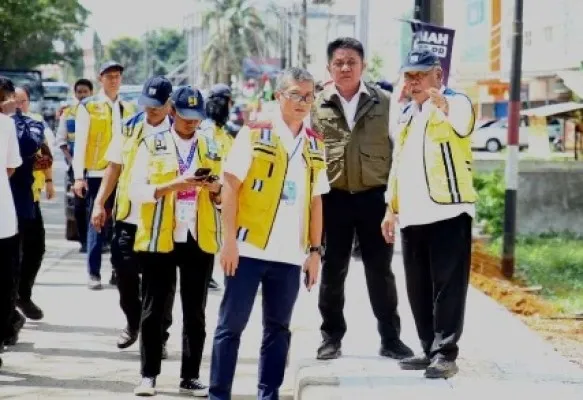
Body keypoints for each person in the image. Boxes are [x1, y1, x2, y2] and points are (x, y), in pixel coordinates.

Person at [209, 67, 329, 400]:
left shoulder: (315, 143)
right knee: (230, 327)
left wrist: (315, 252)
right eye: (295, 94)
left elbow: (316, 200)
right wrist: (229, 241)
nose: (303, 101)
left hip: (289, 254)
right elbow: (230, 186)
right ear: (279, 96)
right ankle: (218, 395)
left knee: (278, 330)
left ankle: (269, 394)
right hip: (247, 249)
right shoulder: (254, 133)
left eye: (308, 95)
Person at [310, 37, 412, 360]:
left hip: (374, 200)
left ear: (363, 66)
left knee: (380, 270)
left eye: (351, 62)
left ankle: (391, 338)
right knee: (333, 270)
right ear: (329, 68)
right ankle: (331, 337)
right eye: (338, 63)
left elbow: (400, 154)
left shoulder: (385, 103)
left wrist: (394, 205)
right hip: (333, 199)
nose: (345, 68)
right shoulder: (316, 107)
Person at [381, 50, 476, 379]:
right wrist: (390, 208)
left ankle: (446, 353)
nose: (414, 82)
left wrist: (444, 106)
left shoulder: (456, 101)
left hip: (448, 210)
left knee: (447, 288)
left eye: (420, 75)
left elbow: (462, 124)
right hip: (412, 215)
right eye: (409, 76)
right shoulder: (408, 114)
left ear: (438, 74)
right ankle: (428, 348)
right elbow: (398, 164)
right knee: (418, 288)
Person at [130, 86, 222, 397]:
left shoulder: (211, 145)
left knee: (195, 311)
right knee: (154, 309)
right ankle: (148, 375)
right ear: (173, 113)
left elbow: (224, 198)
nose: (191, 125)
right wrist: (174, 184)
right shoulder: (151, 144)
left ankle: (191, 375)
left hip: (197, 236)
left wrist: (216, 190)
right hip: (160, 236)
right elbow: (137, 192)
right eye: (185, 118)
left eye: (197, 119)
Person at [90, 76, 174, 354]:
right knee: (123, 273)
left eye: (157, 107)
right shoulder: (130, 128)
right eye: (147, 105)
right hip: (128, 217)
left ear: (169, 104)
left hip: (163, 222)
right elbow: (113, 168)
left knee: (159, 285)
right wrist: (100, 203)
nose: (150, 111)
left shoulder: (179, 132)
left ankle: (158, 335)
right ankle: (135, 321)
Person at [72, 61, 136, 289]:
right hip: (97, 172)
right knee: (97, 223)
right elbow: (79, 144)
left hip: (123, 173)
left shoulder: (128, 107)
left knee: (121, 224)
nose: (114, 80)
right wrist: (78, 176)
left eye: (117, 76)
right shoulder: (88, 106)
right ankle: (94, 272)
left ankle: (118, 271)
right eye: (109, 76)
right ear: (101, 78)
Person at [12, 86, 55, 321]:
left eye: (23, 101)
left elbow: (46, 156)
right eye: (15, 101)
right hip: (10, 200)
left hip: (32, 195)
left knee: (35, 248)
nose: (19, 105)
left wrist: (49, 181)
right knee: (13, 252)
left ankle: (23, 294)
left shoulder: (34, 124)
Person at [202, 83, 236, 290]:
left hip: (221, 193)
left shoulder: (224, 134)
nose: (229, 106)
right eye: (227, 102)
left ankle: (208, 274)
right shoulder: (205, 130)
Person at [0, 77, 24, 369]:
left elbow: (10, 165)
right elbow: (9, 167)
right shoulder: (6, 123)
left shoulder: (6, 125)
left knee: (5, 283)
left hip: (3, 220)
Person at [56, 78, 94, 252]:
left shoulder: (99, 112)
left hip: (96, 167)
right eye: (79, 92)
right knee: (79, 206)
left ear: (91, 93)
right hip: (76, 168)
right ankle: (84, 241)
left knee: (96, 205)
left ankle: (100, 241)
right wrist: (72, 160)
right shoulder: (68, 113)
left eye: (85, 92)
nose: (82, 95)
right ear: (75, 93)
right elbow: (61, 141)